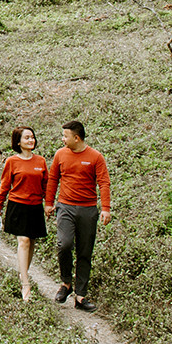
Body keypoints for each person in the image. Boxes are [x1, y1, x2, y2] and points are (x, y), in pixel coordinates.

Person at [45, 120, 111, 312]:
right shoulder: (60, 154)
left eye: (65, 136)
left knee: (84, 252)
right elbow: (53, 179)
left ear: (76, 137)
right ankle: (66, 283)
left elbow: (104, 183)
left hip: (88, 210)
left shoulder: (95, 157)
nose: (62, 139)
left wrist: (105, 208)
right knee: (63, 244)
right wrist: (49, 203)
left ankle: (80, 296)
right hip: (65, 207)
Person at [0, 126, 48, 301]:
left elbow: (46, 185)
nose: (30, 140)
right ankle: (26, 283)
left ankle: (23, 273)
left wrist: (48, 204)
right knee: (24, 240)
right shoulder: (12, 161)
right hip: (18, 205)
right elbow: (5, 185)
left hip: (35, 207)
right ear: (18, 142)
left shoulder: (41, 161)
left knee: (31, 242)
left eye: (32, 137)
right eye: (26, 138)